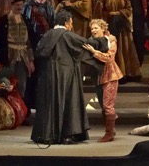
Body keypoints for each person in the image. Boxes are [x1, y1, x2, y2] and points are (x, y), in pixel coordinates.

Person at [30, 10, 100, 145]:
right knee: (68, 102)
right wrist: (104, 41)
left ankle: (46, 135)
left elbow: (39, 53)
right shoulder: (68, 35)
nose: (71, 26)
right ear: (67, 23)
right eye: (71, 23)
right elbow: (86, 45)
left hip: (47, 77)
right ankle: (66, 135)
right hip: (65, 76)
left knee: (48, 104)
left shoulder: (46, 36)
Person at [95, 0, 141, 78]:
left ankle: (125, 73)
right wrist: (106, 12)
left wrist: (118, 13)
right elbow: (99, 10)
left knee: (124, 49)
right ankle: (111, 74)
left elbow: (129, 9)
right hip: (109, 26)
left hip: (122, 27)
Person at [85, 18, 123, 142]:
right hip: (98, 76)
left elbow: (109, 58)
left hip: (110, 75)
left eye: (96, 28)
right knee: (103, 106)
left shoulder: (110, 40)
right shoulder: (92, 41)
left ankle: (109, 133)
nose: (93, 30)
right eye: (92, 29)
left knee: (108, 106)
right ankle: (111, 128)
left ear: (103, 28)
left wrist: (94, 52)